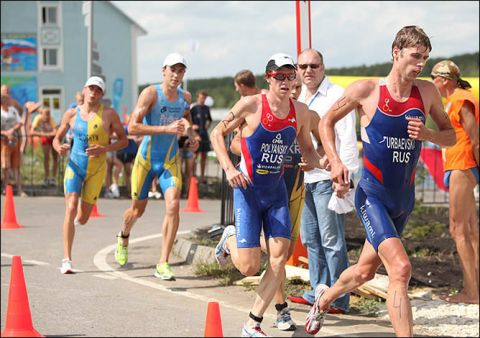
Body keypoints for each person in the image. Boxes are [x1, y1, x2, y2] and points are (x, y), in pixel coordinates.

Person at [304, 25, 456, 337]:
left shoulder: (426, 92)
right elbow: (327, 122)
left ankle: (323, 299)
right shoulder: (367, 91)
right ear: (395, 53)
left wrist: (428, 135)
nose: (420, 64)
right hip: (372, 197)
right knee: (400, 269)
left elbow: (451, 136)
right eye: (415, 56)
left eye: (425, 58)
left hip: (404, 201)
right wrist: (334, 162)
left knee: (364, 271)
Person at [211, 53, 327, 337]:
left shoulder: (299, 111)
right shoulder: (251, 104)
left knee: (279, 258)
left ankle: (252, 323)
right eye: (280, 76)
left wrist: (317, 160)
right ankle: (229, 238)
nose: (287, 81)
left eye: (291, 76)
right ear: (269, 78)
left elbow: (310, 147)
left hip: (276, 193)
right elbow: (217, 133)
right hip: (248, 192)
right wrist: (228, 168)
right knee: (249, 268)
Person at [114, 52, 198, 281]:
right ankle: (123, 235)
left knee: (173, 205)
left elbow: (185, 118)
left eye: (181, 70)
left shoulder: (185, 96)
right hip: (146, 161)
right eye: (172, 69)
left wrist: (190, 134)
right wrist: (167, 129)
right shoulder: (151, 93)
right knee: (136, 211)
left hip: (170, 160)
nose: (176, 74)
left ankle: (163, 262)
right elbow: (132, 128)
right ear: (164, 70)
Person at [288, 48, 359, 314]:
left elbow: (348, 139)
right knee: (311, 240)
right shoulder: (299, 95)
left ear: (323, 66)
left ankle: (339, 299)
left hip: (327, 179)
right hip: (306, 180)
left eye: (313, 66)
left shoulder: (336, 95)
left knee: (332, 242)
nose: (308, 71)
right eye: (303, 66)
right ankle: (318, 292)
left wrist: (345, 178)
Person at [53, 76, 127, 274]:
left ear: (102, 94)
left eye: (98, 90)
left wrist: (104, 148)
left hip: (96, 170)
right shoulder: (71, 114)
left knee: (84, 218)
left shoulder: (109, 115)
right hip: (75, 167)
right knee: (70, 207)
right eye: (91, 88)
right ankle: (67, 259)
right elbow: (56, 138)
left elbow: (124, 141)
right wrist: (59, 147)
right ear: (84, 90)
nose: (93, 93)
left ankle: (78, 219)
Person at [430, 60, 479, 304]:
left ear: (444, 80)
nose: (432, 82)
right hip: (460, 165)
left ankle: (471, 292)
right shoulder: (456, 99)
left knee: (459, 229)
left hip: (463, 165)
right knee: (469, 231)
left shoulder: (460, 99)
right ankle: (474, 290)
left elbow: (475, 138)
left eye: (433, 78)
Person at [1, 85, 27, 197]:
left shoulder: (13, 110)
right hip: (3, 143)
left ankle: (19, 189)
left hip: (15, 141)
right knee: (5, 166)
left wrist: (13, 129)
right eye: (5, 98)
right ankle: (6, 188)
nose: (8, 100)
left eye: (7, 97)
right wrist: (5, 133)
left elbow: (20, 122)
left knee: (16, 166)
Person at [29, 107, 59, 186]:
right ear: (41, 114)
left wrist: (50, 134)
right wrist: (45, 134)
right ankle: (46, 178)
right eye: (45, 115)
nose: (46, 117)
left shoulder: (51, 119)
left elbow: (56, 132)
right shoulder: (37, 118)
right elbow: (31, 132)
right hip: (45, 137)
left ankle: (53, 178)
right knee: (46, 157)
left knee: (55, 157)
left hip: (53, 138)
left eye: (48, 115)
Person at [115, 121, 142, 198]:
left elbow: (141, 136)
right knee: (128, 172)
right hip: (126, 152)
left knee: (138, 171)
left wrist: (139, 139)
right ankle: (130, 191)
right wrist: (130, 137)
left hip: (135, 152)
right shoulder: (124, 128)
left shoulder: (138, 127)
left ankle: (137, 190)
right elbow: (116, 135)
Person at [191, 90, 213, 184]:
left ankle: (202, 177)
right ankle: (193, 176)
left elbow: (209, 119)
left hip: (204, 134)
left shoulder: (206, 108)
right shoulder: (194, 108)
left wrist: (207, 126)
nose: (202, 99)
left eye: (204, 98)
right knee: (194, 156)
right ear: (197, 98)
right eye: (201, 98)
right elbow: (188, 120)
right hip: (196, 135)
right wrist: (192, 126)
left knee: (204, 156)